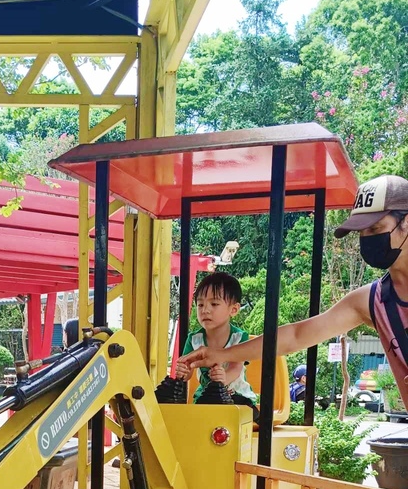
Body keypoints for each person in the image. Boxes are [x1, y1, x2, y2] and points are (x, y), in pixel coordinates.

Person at [177, 175, 408, 414]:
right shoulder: (371, 301)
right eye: (362, 232)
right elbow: (296, 336)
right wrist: (220, 354)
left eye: (376, 228)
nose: (368, 239)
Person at [175, 272, 258, 415]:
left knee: (240, 412)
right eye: (200, 305)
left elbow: (236, 368)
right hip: (206, 398)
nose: (205, 310)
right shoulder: (194, 339)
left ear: (234, 309)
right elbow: (187, 371)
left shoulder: (239, 337)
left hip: (236, 396)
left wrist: (223, 379)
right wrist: (183, 372)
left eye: (214, 304)